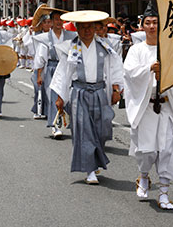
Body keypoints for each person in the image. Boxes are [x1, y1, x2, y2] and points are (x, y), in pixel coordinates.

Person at [123, 1, 173, 210]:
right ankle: (143, 176)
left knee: (167, 149)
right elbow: (130, 73)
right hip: (146, 107)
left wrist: (167, 76)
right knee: (146, 151)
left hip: (165, 106)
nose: (152, 26)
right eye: (148, 23)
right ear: (142, 26)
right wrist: (149, 69)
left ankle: (164, 191)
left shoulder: (170, 50)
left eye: (155, 22)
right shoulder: (136, 50)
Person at [50, 10, 123, 185]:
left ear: (95, 28)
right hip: (79, 93)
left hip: (99, 92)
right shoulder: (71, 48)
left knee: (103, 129)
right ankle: (90, 170)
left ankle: (95, 160)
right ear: (77, 29)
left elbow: (114, 68)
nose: (87, 31)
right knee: (84, 131)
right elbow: (64, 73)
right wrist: (61, 96)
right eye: (82, 28)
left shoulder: (105, 47)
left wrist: (116, 89)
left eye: (89, 27)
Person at [33, 6, 75, 138]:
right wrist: (39, 74)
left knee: (68, 96)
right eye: (55, 19)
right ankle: (55, 125)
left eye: (60, 20)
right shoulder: (46, 37)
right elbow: (41, 57)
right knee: (53, 96)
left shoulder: (71, 35)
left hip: (67, 68)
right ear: (51, 21)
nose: (58, 22)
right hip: (52, 67)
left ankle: (69, 122)